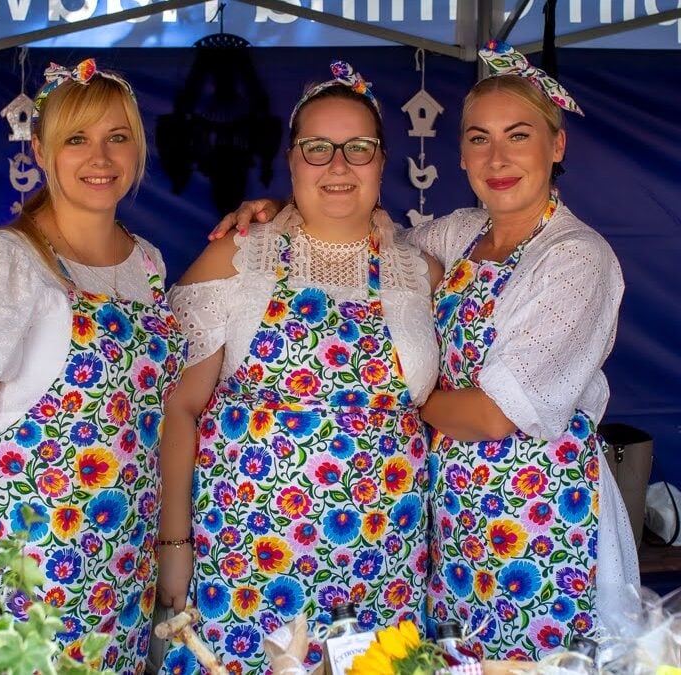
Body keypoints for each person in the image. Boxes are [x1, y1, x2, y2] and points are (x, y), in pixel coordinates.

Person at [212, 42, 640, 660]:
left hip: (543, 516)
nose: (497, 158)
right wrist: (285, 206)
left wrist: (389, 399)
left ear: (557, 145)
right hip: (451, 518)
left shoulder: (576, 257)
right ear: (460, 153)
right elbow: (357, 226)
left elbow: (495, 415)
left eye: (518, 136)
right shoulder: (461, 233)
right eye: (479, 138)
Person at [156, 61, 443, 674]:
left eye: (358, 148)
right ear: (291, 161)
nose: (338, 165)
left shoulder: (424, 272)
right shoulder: (237, 258)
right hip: (250, 562)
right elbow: (178, 407)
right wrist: (173, 543)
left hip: (382, 561)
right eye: (317, 148)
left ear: (382, 162)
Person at [0, 59, 185, 674]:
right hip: (22, 581)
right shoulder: (6, 263)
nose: (100, 157)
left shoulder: (147, 263)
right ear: (40, 151)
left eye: (117, 137)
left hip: (120, 576)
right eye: (76, 139)